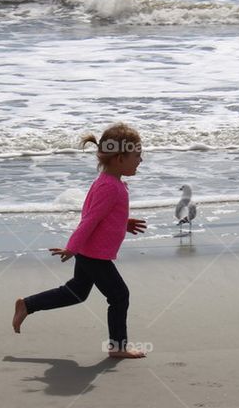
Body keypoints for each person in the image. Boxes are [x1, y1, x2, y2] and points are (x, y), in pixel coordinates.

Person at [12, 123, 148, 359]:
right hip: (94, 254)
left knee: (76, 292)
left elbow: (102, 215)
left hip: (90, 251)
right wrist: (72, 247)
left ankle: (28, 304)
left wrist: (123, 222)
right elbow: (90, 219)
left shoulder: (107, 182)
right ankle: (118, 346)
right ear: (119, 158)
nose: (141, 160)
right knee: (119, 296)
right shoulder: (110, 187)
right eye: (137, 155)